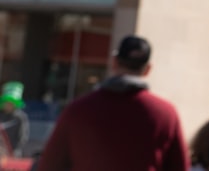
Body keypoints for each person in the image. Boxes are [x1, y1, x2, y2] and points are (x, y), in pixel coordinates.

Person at [36, 34, 188, 171]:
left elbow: (49, 165)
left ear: (114, 62)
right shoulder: (166, 114)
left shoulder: (78, 110)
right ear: (147, 69)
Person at [0, 81, 29, 158]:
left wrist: (14, 151)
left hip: (13, 155)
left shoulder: (20, 118)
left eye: (11, 103)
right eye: (7, 102)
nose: (8, 105)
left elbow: (22, 137)